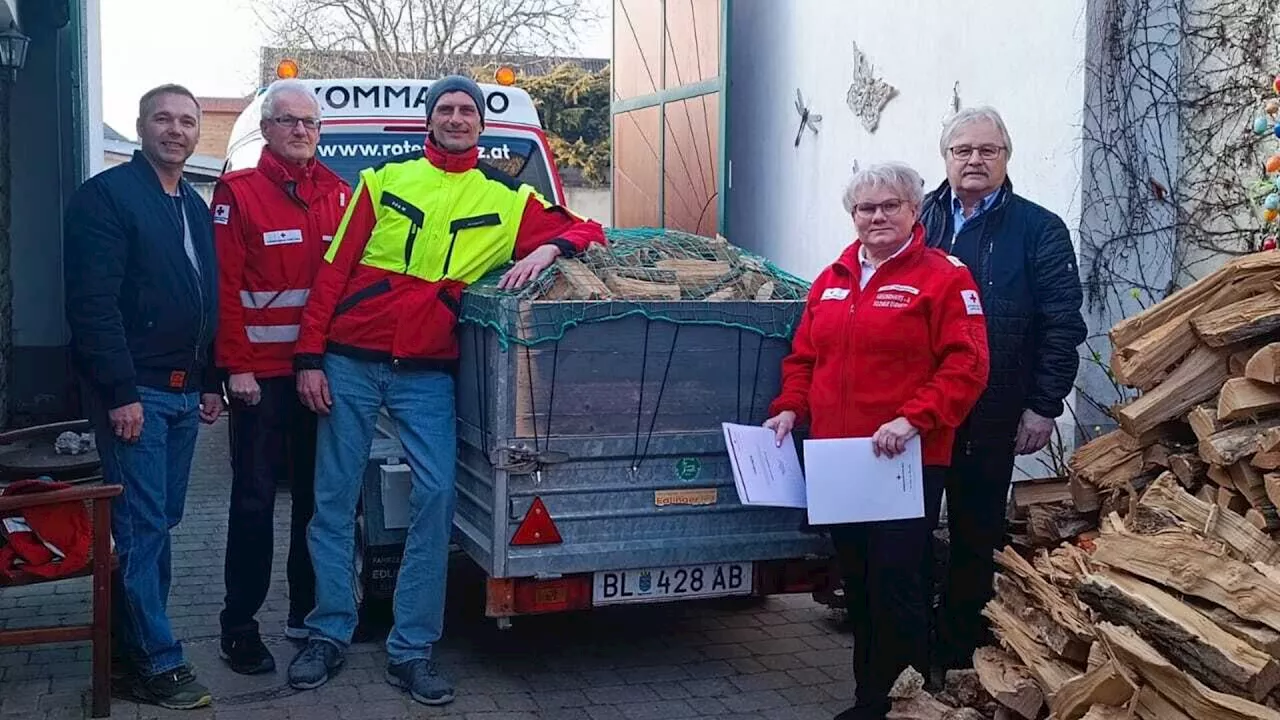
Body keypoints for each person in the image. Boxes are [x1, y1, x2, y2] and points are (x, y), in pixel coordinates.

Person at [285, 75, 606, 705]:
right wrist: (308, 358)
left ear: (481, 128)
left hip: (429, 372)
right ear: (428, 122)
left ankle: (411, 648)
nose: (457, 118)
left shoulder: (508, 200)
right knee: (332, 499)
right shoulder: (383, 183)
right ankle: (327, 634)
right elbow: (332, 273)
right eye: (446, 109)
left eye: (467, 111)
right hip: (350, 362)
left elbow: (589, 231)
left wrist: (548, 251)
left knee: (435, 500)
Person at [764, 162, 990, 720]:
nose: (877, 216)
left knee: (900, 588)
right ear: (853, 216)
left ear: (915, 211)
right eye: (867, 208)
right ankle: (870, 700)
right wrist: (791, 407)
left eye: (890, 206)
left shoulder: (944, 277)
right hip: (840, 462)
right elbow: (804, 358)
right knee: (859, 586)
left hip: (905, 459)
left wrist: (913, 418)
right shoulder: (833, 278)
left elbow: (968, 364)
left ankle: (905, 705)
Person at [63, 84, 223, 710]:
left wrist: (210, 380)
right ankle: (158, 662)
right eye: (164, 118)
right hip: (139, 398)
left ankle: (127, 651)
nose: (177, 130)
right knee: (142, 527)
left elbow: (205, 297)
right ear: (140, 126)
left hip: (184, 397)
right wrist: (121, 392)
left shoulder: (192, 203)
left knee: (156, 524)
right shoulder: (105, 198)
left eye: (187, 121)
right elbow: (92, 305)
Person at [919, 107, 1087, 671]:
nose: (974, 160)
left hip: (992, 411)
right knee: (907, 537)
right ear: (945, 158)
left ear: (1006, 158)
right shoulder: (917, 221)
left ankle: (960, 655)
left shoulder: (1038, 229)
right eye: (962, 150)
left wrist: (1043, 405)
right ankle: (910, 652)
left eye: (988, 150)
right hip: (917, 415)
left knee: (974, 536)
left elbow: (1062, 323)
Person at [211, 79, 352, 675]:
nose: (301, 131)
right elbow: (222, 290)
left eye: (310, 123)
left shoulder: (341, 196)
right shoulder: (237, 193)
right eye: (289, 121)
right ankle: (239, 627)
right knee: (253, 502)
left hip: (318, 377)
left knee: (317, 507)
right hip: (261, 380)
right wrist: (235, 367)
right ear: (267, 129)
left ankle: (305, 613)